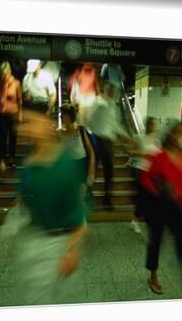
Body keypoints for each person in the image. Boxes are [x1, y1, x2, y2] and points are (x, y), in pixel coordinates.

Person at [1, 108, 87, 305]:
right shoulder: (31, 159)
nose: (22, 128)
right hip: (36, 238)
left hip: (59, 243)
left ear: (47, 125)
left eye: (30, 121)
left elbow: (79, 215)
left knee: (59, 303)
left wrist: (71, 251)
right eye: (22, 123)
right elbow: (25, 194)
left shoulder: (63, 164)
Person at [140, 121, 182, 295]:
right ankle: (153, 275)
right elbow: (145, 179)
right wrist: (160, 189)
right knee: (156, 242)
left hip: (177, 206)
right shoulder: (159, 157)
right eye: (180, 135)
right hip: (159, 205)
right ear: (171, 136)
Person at [86, 81, 127, 209]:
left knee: (109, 172)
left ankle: (107, 199)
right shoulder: (97, 101)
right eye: (110, 91)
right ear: (105, 90)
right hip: (97, 140)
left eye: (113, 91)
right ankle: (87, 196)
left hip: (108, 142)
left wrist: (126, 136)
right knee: (92, 169)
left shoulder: (114, 106)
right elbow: (89, 119)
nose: (112, 93)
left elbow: (115, 124)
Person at [126, 117, 161, 234]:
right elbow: (128, 150)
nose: (153, 127)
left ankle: (141, 220)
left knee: (150, 197)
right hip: (141, 170)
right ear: (147, 125)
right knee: (142, 197)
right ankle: (135, 221)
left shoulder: (157, 141)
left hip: (153, 173)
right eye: (151, 125)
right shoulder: (139, 138)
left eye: (154, 125)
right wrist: (142, 154)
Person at [58, 103, 96, 202]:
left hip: (81, 165)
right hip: (67, 167)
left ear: (69, 116)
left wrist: (91, 166)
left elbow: (90, 150)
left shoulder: (81, 130)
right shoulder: (58, 133)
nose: (60, 116)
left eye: (62, 114)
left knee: (81, 196)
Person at [0, 61, 22, 171]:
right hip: (2, 115)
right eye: (2, 74)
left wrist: (20, 115)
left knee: (13, 138)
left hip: (13, 115)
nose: (3, 76)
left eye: (5, 74)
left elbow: (20, 101)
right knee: (2, 138)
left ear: (9, 72)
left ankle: (12, 159)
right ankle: (2, 159)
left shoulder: (16, 83)